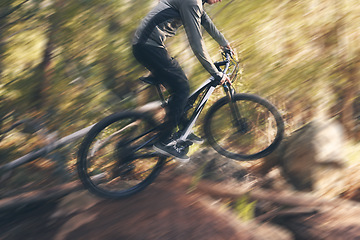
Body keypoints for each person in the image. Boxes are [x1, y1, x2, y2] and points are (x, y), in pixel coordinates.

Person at [132, 0, 232, 162]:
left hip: (149, 46)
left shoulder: (196, 3)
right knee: (182, 88)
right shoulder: (192, 2)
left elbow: (205, 21)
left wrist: (224, 43)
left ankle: (183, 127)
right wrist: (216, 73)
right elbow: (196, 43)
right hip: (148, 46)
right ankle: (163, 141)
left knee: (180, 84)